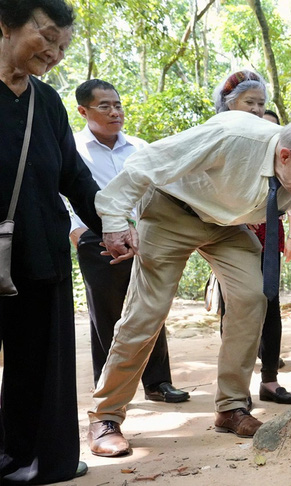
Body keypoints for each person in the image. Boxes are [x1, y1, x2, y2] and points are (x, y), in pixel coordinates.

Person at [87, 112, 291, 458]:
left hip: (228, 225)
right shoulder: (233, 138)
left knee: (252, 297)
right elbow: (145, 162)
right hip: (172, 210)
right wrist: (114, 220)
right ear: (285, 155)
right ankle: (106, 416)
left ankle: (231, 407)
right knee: (147, 313)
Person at [0, 0, 100, 482]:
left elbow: (74, 177)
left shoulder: (47, 101)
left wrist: (113, 225)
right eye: (47, 37)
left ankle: (39, 460)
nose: (55, 53)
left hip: (41, 252)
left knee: (40, 365)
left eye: (63, 45)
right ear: (6, 23)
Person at [70, 79, 189, 404]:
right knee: (106, 314)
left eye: (118, 105)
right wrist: (78, 234)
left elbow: (156, 191)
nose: (114, 112)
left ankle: (158, 382)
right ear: (83, 110)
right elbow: (63, 195)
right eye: (104, 106)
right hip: (95, 237)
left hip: (144, 235)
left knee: (151, 308)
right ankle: (108, 390)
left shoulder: (139, 147)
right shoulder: (74, 149)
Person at [211, 70, 291, 405]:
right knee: (235, 308)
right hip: (229, 235)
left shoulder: (278, 146)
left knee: (270, 303)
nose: (258, 111)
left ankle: (270, 380)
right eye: (251, 103)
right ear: (230, 103)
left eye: (262, 104)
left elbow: (289, 193)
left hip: (267, 235)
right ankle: (237, 389)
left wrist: (290, 234)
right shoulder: (220, 137)